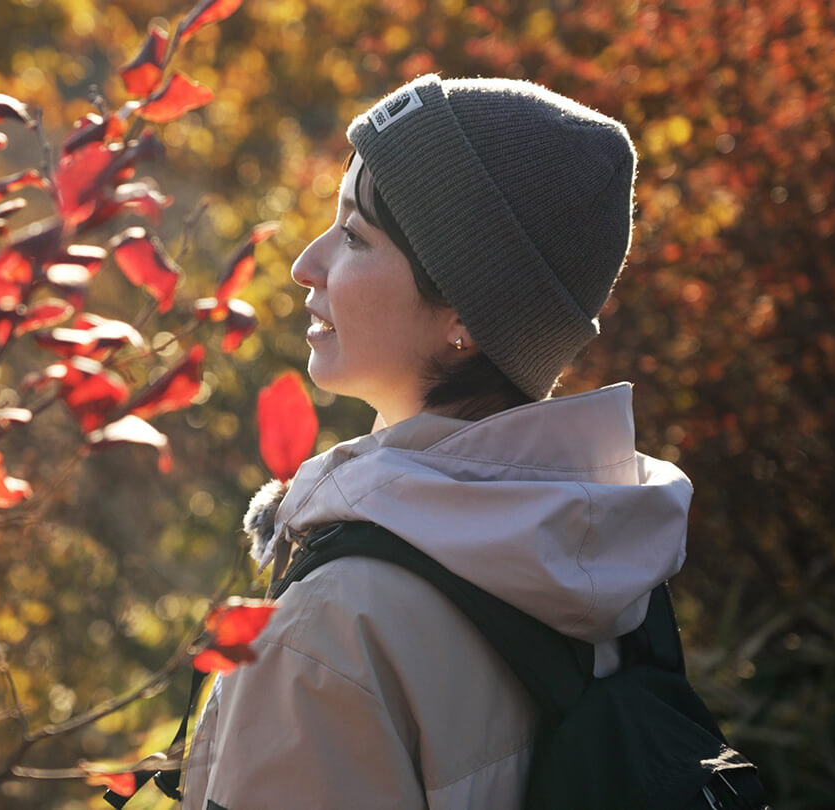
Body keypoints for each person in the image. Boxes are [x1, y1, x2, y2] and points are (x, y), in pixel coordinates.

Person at [181, 74, 693, 810]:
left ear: (463, 314)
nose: (307, 264)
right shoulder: (611, 551)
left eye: (355, 236)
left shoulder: (331, 628)